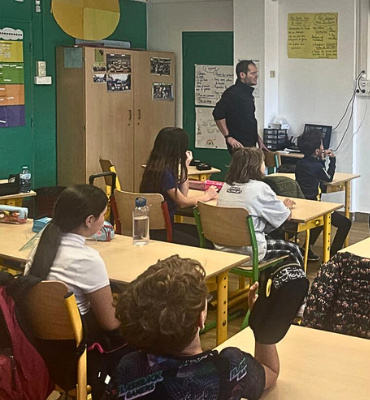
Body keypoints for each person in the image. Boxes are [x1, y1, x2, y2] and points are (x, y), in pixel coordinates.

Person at [105, 255, 279, 399]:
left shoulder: (128, 369)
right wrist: (262, 321)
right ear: (201, 319)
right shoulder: (229, 366)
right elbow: (270, 371)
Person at [25, 185, 126, 397]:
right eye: (103, 214)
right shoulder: (87, 259)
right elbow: (110, 323)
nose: (104, 219)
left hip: (37, 349)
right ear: (90, 221)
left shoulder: (40, 248)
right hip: (74, 357)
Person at [217, 147, 304, 266]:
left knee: (267, 235)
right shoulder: (260, 188)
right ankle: (297, 282)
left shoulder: (225, 187)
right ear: (255, 166)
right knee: (293, 249)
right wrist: (285, 207)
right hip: (249, 251)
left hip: (223, 248)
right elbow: (286, 216)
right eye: (262, 162)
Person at [139, 127, 217, 247]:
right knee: (207, 243)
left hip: (156, 227)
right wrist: (207, 196)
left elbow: (182, 194)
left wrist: (185, 166)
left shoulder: (154, 167)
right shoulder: (165, 173)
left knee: (205, 234)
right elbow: (183, 203)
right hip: (161, 231)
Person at [294, 127, 352, 260]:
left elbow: (318, 172)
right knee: (345, 223)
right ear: (316, 151)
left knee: (320, 222)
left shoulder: (301, 163)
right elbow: (328, 177)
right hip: (314, 206)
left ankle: (306, 249)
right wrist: (332, 160)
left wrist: (320, 159)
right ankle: (333, 255)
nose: (323, 147)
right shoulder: (316, 166)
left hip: (304, 203)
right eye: (321, 145)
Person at [213, 60, 267, 153]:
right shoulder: (232, 93)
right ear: (242, 75)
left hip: (250, 143)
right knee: (243, 167)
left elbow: (249, 120)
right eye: (253, 73)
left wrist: (259, 140)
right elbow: (218, 114)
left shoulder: (248, 94)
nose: (256, 76)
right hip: (239, 144)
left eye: (256, 73)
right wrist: (228, 137)